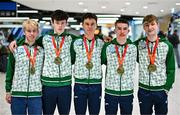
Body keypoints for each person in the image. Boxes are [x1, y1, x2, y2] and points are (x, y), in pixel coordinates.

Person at [8, 10, 76, 115]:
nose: (60, 26)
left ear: (66, 23)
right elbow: (30, 40)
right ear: (52, 23)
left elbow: (87, 39)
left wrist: (102, 38)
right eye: (57, 23)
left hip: (65, 85)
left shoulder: (71, 39)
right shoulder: (44, 39)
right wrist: (17, 41)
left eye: (63, 23)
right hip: (47, 86)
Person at [134, 14, 175, 115]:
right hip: (144, 90)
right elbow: (124, 44)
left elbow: (171, 69)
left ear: (157, 25)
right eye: (147, 25)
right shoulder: (138, 44)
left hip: (161, 90)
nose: (150, 27)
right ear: (144, 27)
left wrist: (166, 88)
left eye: (152, 24)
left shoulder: (167, 45)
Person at [5, 19, 44, 115]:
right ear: (24, 32)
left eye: (34, 31)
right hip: (18, 93)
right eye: (29, 31)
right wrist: (8, 90)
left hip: (36, 94)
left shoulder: (42, 51)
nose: (32, 34)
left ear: (38, 32)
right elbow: (10, 70)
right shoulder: (15, 49)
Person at [101, 18, 137, 115]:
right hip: (111, 91)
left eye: (125, 29)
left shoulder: (134, 47)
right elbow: (103, 61)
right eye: (119, 28)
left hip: (127, 91)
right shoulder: (107, 47)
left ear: (128, 31)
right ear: (115, 30)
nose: (122, 31)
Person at [71, 13, 104, 115]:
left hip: (96, 85)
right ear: (83, 25)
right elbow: (71, 59)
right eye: (87, 24)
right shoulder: (75, 42)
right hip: (80, 84)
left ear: (96, 25)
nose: (89, 26)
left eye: (92, 24)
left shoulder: (102, 43)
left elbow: (104, 59)